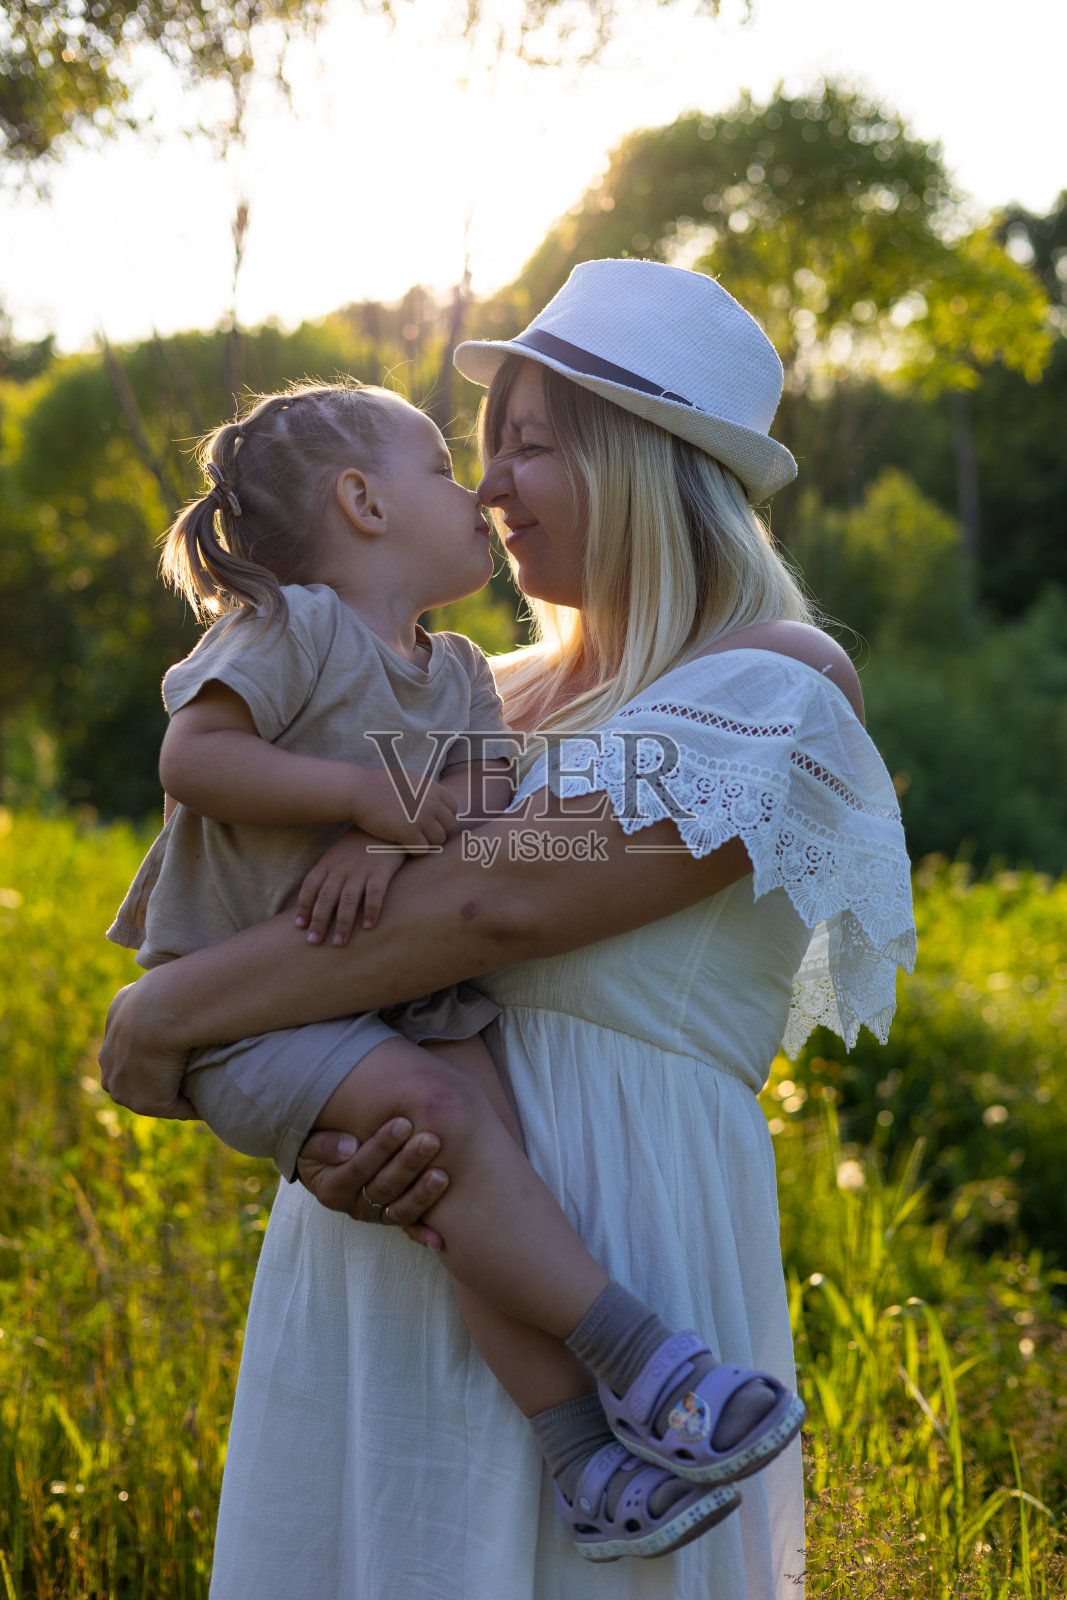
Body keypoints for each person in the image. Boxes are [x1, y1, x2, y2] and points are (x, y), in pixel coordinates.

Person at [99, 258, 917, 1600]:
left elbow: (493, 897)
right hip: (402, 1235)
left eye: (529, 446)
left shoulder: (768, 684)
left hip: (623, 1236)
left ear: (645, 460)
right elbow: (320, 893)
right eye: (481, 452)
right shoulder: (476, 697)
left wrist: (164, 1015)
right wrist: (328, 1128)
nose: (487, 488)